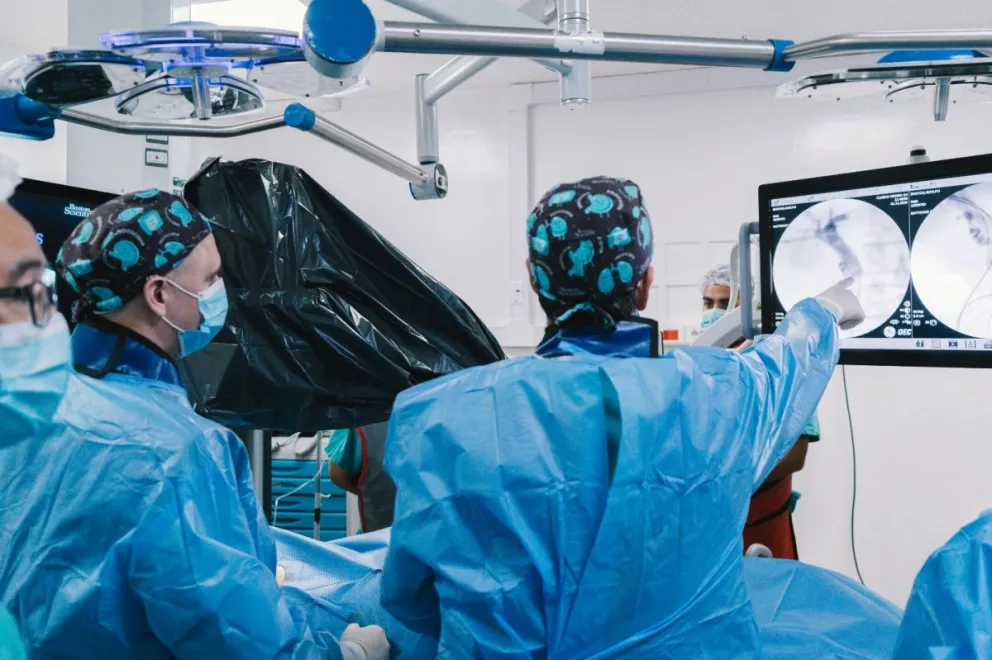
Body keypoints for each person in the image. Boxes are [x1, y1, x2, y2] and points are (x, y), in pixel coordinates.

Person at [380, 176, 866, 656]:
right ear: (647, 281)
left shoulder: (439, 415)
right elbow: (789, 360)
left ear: (533, 278)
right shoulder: (722, 390)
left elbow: (411, 599)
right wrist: (823, 309)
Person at [0, 189, 388, 660]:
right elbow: (241, 643)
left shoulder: (27, 407)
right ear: (159, 294)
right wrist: (347, 654)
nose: (218, 291)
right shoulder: (181, 450)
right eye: (212, 277)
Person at [700, 263, 822, 560]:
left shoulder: (782, 363)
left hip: (762, 519)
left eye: (727, 302)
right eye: (708, 303)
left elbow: (795, 454)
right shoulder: (697, 360)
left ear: (749, 307)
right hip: (708, 529)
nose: (716, 311)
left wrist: (726, 478)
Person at [326, 421, 396, 533]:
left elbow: (337, 473)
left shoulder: (364, 414)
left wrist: (373, 492)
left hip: (379, 538)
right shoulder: (430, 412)